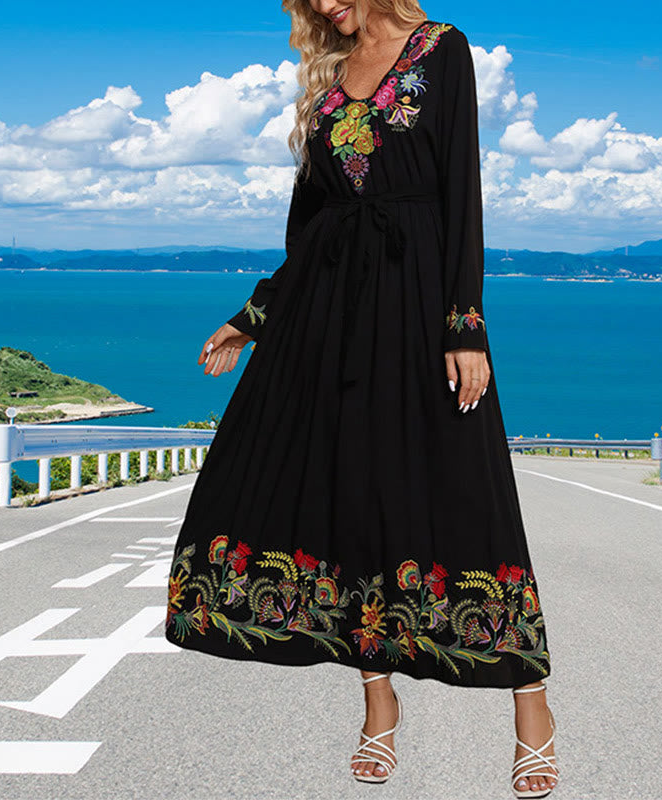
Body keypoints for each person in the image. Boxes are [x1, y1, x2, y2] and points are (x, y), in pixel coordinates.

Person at [164, 0, 559, 796]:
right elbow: (307, 226)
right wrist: (254, 317)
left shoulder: (441, 49)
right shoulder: (327, 79)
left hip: (418, 305)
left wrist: (464, 327)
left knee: (464, 492)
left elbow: (461, 192)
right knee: (344, 500)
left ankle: (531, 703)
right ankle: (378, 704)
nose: (321, 5)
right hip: (329, 316)